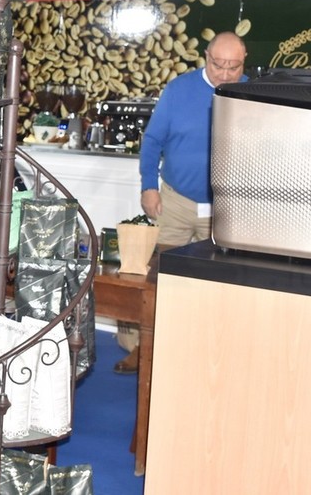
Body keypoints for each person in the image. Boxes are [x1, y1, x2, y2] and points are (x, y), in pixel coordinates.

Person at [113, 30, 247, 374]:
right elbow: (152, 140)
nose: (225, 74)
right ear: (206, 57)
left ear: (244, 62)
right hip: (175, 201)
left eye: (233, 67)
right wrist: (149, 186)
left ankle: (200, 350)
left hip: (225, 208)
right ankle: (139, 347)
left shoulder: (251, 94)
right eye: (218, 65)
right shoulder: (178, 90)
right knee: (157, 276)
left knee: (214, 283)